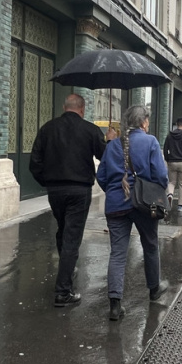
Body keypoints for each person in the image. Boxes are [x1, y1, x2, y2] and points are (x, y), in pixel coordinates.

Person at [29, 93, 112, 308]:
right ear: (82, 109)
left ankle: (68, 267)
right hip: (79, 189)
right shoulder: (90, 130)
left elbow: (35, 162)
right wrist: (109, 141)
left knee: (63, 229)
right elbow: (105, 156)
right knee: (72, 237)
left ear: (65, 107)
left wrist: (47, 181)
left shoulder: (47, 128)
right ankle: (63, 291)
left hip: (55, 189)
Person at [97, 105, 169, 321]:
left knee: (118, 254)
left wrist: (114, 192)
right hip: (144, 204)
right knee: (150, 245)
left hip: (116, 205)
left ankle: (115, 304)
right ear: (144, 122)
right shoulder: (150, 142)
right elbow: (162, 176)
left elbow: (101, 176)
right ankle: (154, 288)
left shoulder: (112, 145)